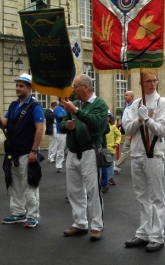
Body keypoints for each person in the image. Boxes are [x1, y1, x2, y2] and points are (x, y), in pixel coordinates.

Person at [124, 72, 165, 252]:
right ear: (141, 83)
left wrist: (148, 120)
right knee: (142, 196)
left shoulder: (162, 103)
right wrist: (138, 119)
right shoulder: (136, 104)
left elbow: (162, 130)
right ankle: (143, 233)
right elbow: (127, 129)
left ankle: (157, 236)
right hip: (136, 154)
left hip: (154, 153)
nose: (152, 84)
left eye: (154, 81)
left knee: (157, 197)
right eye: (148, 81)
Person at [60, 74, 108, 241]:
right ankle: (80, 223)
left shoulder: (99, 104)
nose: (73, 90)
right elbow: (61, 123)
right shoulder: (76, 104)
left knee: (93, 190)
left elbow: (97, 124)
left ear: (85, 87)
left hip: (90, 150)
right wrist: (66, 124)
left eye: (75, 87)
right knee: (74, 190)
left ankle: (96, 226)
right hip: (73, 151)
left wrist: (76, 112)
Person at [0, 73, 44, 229]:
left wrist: (34, 150)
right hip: (13, 152)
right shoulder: (14, 105)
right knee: (15, 184)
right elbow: (6, 124)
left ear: (29, 88)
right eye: (17, 85)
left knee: (29, 185)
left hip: (27, 151)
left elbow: (40, 129)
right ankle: (18, 212)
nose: (17, 88)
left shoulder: (35, 107)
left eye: (21, 86)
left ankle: (33, 215)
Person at [114, 91, 135, 174]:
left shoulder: (134, 107)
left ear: (132, 97)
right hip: (127, 131)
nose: (124, 96)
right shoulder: (126, 106)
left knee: (126, 149)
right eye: (124, 94)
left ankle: (117, 166)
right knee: (131, 149)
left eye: (126, 95)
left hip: (131, 131)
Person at [106, 111, 121, 185]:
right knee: (102, 164)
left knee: (111, 163)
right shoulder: (100, 127)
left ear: (110, 118)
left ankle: (110, 177)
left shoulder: (113, 127)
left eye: (108, 117)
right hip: (102, 149)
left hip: (110, 148)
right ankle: (104, 178)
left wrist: (117, 143)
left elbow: (119, 135)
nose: (106, 118)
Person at [53, 99, 67, 173]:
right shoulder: (57, 108)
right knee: (60, 149)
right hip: (61, 131)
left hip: (69, 131)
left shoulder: (67, 107)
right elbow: (62, 118)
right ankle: (58, 166)